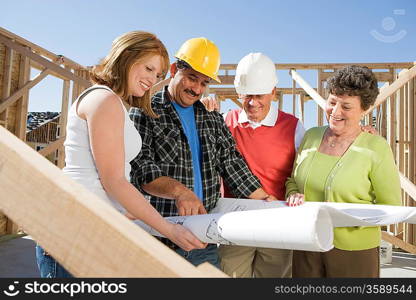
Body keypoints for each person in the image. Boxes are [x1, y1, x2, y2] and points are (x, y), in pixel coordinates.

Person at [35, 31, 206, 278]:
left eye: (157, 75)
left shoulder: (110, 101)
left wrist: (120, 208)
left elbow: (103, 178)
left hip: (91, 230)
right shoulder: (104, 100)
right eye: (148, 68)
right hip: (76, 233)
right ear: (127, 56)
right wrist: (169, 230)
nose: (152, 79)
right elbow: (113, 180)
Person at [129, 38, 271, 268]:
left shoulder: (211, 118)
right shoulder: (145, 111)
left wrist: (265, 200)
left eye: (204, 83)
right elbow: (141, 169)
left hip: (202, 239)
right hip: (158, 236)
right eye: (192, 78)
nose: (196, 88)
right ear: (175, 70)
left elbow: (231, 162)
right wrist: (180, 192)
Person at [285, 65, 402, 278]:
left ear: (365, 110)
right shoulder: (311, 136)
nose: (335, 112)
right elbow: (293, 180)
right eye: (332, 102)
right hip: (307, 245)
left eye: (346, 107)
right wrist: (292, 193)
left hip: (354, 253)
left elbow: (391, 206)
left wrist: (352, 217)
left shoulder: (375, 147)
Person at [202, 53, 304, 278]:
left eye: (259, 95)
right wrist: (202, 113)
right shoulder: (225, 122)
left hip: (277, 224)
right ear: (239, 93)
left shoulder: (294, 128)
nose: (252, 102)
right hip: (235, 223)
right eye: (247, 96)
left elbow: (305, 172)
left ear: (273, 93)